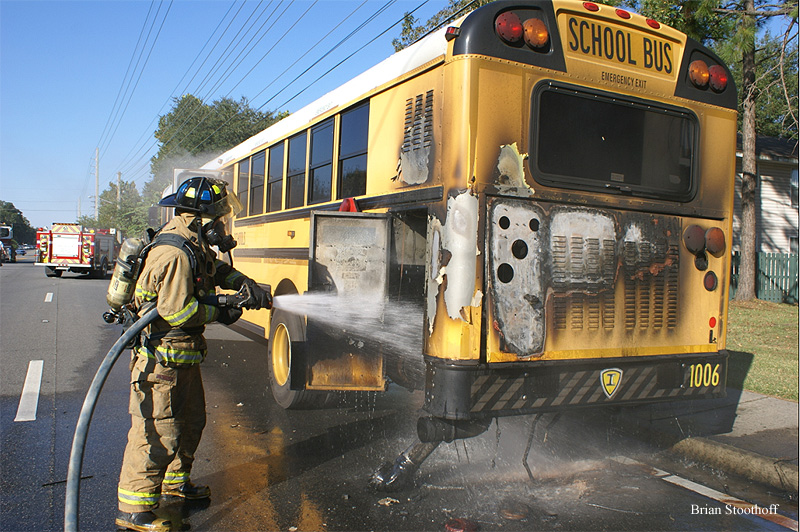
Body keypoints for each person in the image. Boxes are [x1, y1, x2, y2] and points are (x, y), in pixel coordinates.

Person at [115, 177, 271, 532]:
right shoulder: (173, 254)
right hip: (161, 363)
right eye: (219, 217)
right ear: (200, 217)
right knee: (157, 432)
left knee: (191, 422)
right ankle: (133, 509)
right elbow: (178, 313)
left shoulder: (193, 245)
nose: (222, 225)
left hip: (183, 359)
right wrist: (223, 310)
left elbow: (217, 270)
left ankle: (175, 484)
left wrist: (245, 286)